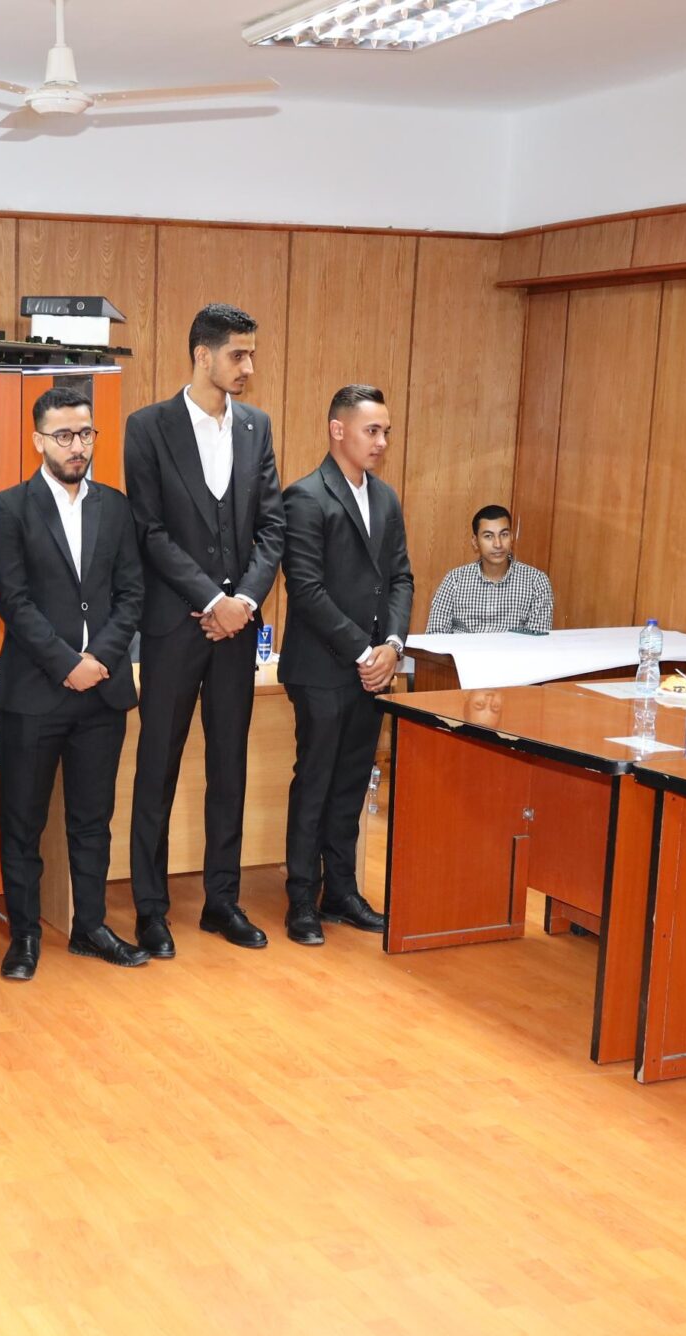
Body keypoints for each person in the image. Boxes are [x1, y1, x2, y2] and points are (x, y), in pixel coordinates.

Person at [123, 302, 285, 958]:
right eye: (237, 354)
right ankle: (150, 909)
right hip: (174, 627)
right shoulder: (148, 427)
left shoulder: (256, 426)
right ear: (202, 354)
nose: (247, 366)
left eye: (251, 355)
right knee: (156, 767)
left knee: (230, 766)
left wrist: (242, 600)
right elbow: (149, 530)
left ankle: (222, 901)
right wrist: (211, 599)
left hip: (237, 630)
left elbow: (272, 525)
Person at [0, 385, 147, 981]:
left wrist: (98, 658)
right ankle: (25, 935)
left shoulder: (116, 506)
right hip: (34, 694)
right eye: (63, 435)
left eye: (85, 434)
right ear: (38, 441)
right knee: (22, 822)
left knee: (92, 819)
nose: (76, 446)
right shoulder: (9, 509)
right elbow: (14, 601)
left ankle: (91, 927)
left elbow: (132, 594)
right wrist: (66, 662)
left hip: (102, 691)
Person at [278, 385, 414, 947]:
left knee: (352, 782)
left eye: (385, 432)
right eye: (371, 430)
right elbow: (306, 589)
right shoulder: (305, 497)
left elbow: (401, 577)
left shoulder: (385, 498)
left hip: (375, 669)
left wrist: (393, 646)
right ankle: (300, 900)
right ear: (338, 430)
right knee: (315, 782)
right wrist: (364, 651)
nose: (380, 441)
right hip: (322, 668)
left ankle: (341, 892)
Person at [424, 505, 551, 635]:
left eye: (504, 535)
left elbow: (537, 640)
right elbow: (435, 636)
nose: (498, 544)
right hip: (464, 649)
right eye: (488, 536)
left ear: (512, 537)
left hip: (513, 649)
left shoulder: (536, 582)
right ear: (475, 542)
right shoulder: (454, 580)